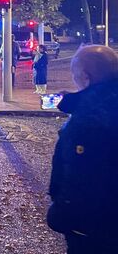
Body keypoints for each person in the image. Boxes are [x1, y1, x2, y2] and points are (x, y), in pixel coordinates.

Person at [47, 45, 118, 253]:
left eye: (75, 74)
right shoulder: (104, 103)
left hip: (94, 231)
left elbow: (80, 177)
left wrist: (61, 215)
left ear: (86, 77)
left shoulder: (90, 118)